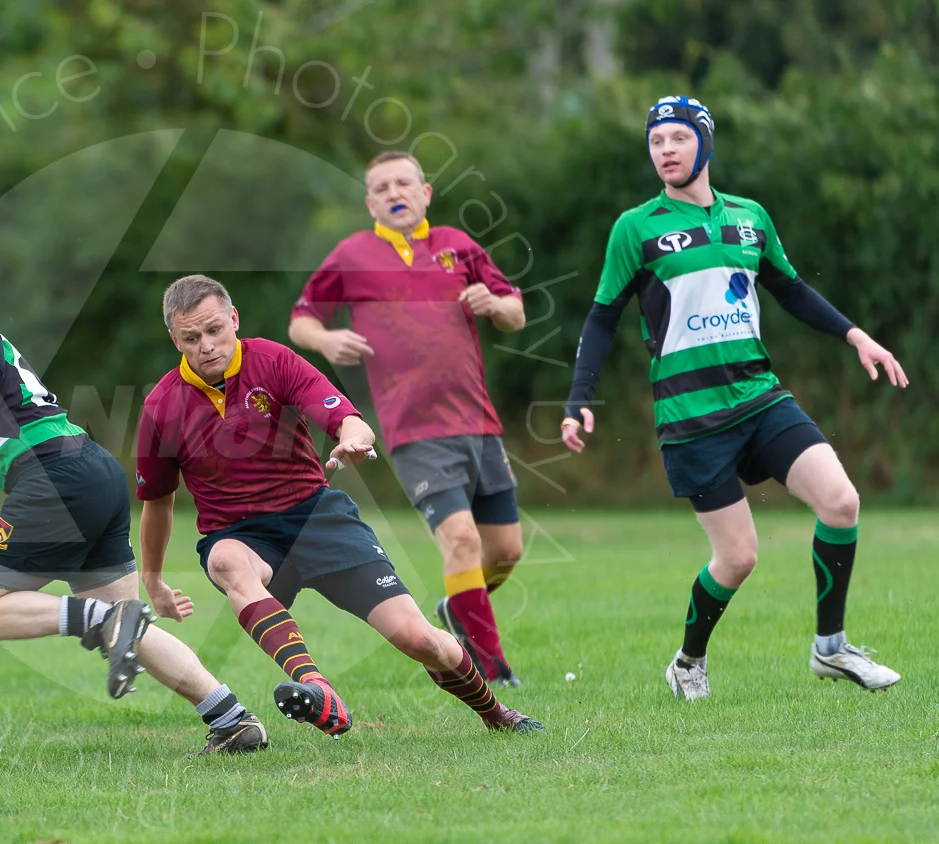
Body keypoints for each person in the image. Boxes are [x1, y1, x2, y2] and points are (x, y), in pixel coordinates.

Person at [562, 95, 908, 700]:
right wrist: (579, 398)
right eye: (655, 142)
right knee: (739, 557)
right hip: (692, 417)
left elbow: (792, 290)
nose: (665, 151)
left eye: (677, 139)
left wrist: (858, 337)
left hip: (761, 398)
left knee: (841, 501)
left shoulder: (749, 218)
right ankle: (688, 662)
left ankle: (832, 650)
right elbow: (600, 319)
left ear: (705, 144)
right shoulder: (635, 228)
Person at [0, 257, 270, 756]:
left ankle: (99, 619)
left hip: (51, 479)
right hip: (89, 470)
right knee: (129, 625)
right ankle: (232, 720)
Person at [136, 274, 543, 739]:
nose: (206, 346)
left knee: (418, 638)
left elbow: (349, 420)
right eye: (191, 338)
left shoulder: (273, 360)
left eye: (214, 331)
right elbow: (157, 502)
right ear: (175, 339)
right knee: (227, 560)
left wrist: (352, 441)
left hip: (317, 517)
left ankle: (496, 713)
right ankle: (317, 687)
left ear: (233, 319)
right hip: (242, 536)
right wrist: (152, 579)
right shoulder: (161, 405)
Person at [288, 151, 528, 685]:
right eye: (382, 186)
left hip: (479, 423)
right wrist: (327, 339)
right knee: (461, 541)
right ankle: (489, 666)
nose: (395, 191)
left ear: (426, 192)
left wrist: (494, 303)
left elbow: (516, 313)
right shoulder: (352, 255)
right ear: (370, 201)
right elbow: (302, 321)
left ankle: (457, 608)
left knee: (506, 551)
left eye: (405, 182)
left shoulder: (458, 246)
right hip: (414, 431)